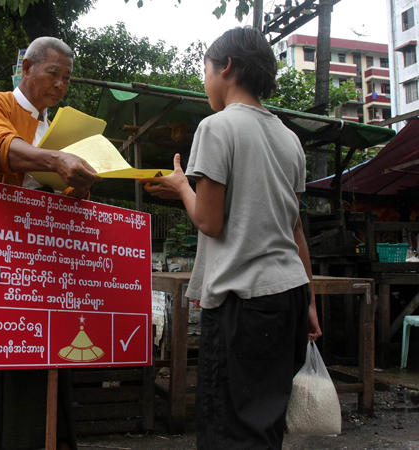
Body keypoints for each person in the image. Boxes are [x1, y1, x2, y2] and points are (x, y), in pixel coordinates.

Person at [140, 27, 322, 450]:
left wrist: (181, 186)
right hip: (290, 296)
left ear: (226, 68)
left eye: (205, 70)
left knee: (229, 429)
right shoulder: (290, 139)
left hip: (244, 303)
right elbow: (295, 228)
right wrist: (311, 302)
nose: (204, 82)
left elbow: (209, 221)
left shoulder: (217, 127)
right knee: (265, 424)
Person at [0, 36, 101, 450]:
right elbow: (0, 149)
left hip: (39, 260)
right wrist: (56, 160)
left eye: (67, 79)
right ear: (27, 68)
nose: (60, 85)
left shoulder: (59, 130)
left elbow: (64, 198)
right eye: (54, 73)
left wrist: (79, 188)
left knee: (37, 350)